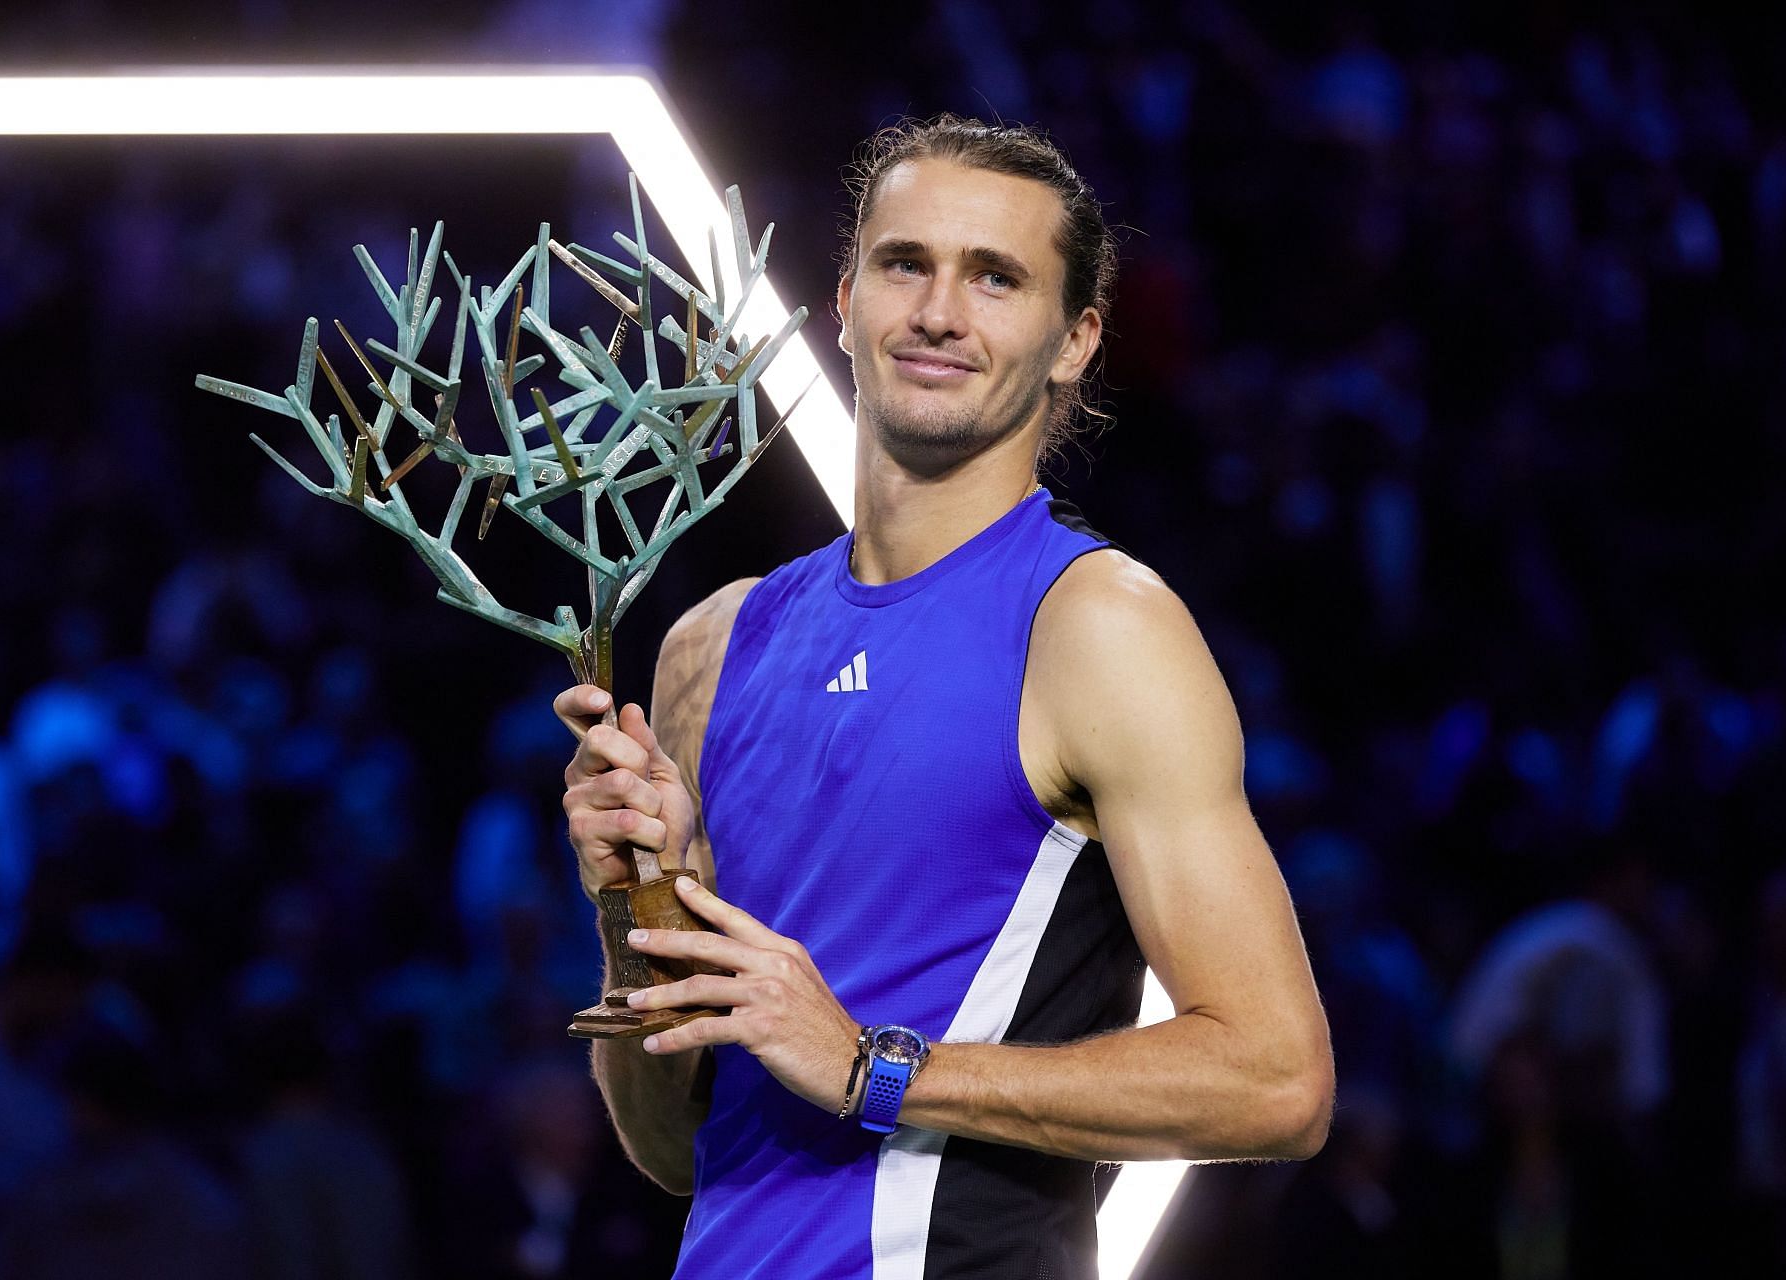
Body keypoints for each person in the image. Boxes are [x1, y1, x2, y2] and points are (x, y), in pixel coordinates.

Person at [557, 115, 1334, 1279]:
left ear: (1074, 341)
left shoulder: (1097, 628)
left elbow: (1277, 1078)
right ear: (842, 301)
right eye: (904, 262)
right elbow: (673, 1146)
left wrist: (871, 1061)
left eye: (996, 278)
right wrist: (634, 911)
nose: (937, 311)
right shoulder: (712, 645)